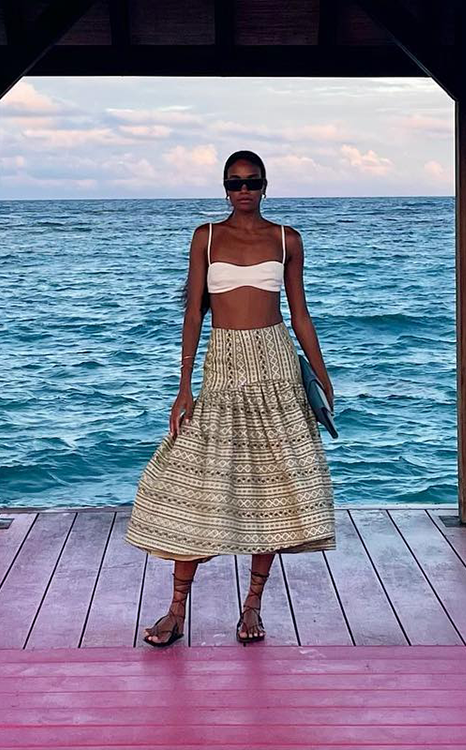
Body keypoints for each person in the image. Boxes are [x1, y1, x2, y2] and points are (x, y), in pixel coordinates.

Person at [124, 150, 336, 646]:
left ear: (266, 186)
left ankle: (253, 607)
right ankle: (177, 610)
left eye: (252, 182)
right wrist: (183, 387)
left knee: (271, 489)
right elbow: (194, 315)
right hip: (223, 365)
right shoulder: (206, 236)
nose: (244, 190)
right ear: (224, 188)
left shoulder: (288, 239)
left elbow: (300, 315)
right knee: (196, 484)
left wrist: (323, 378)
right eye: (235, 182)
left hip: (275, 366)